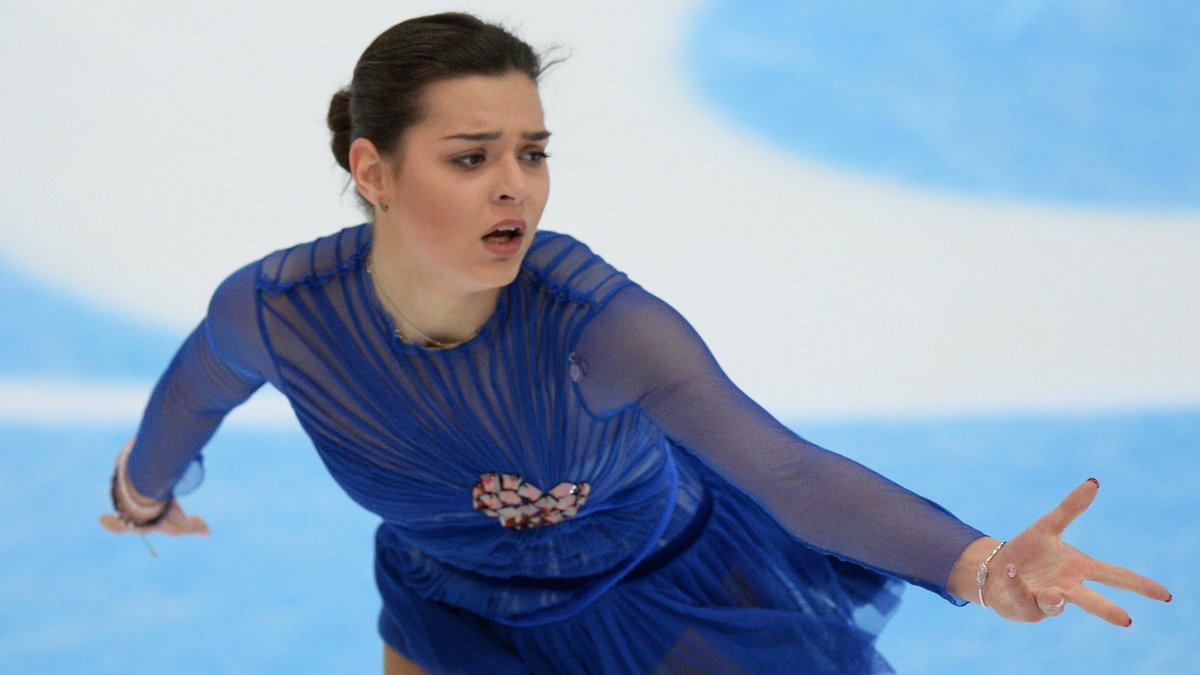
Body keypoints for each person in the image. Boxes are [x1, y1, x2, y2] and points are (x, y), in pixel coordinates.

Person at [99, 12, 1171, 674]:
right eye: (471, 157)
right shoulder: (279, 311)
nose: (516, 181)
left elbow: (783, 469)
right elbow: (198, 388)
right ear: (373, 170)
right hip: (447, 606)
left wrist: (980, 565)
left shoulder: (600, 327)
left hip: (669, 603)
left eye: (532, 150)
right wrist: (144, 491)